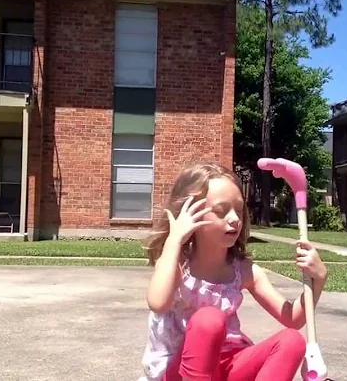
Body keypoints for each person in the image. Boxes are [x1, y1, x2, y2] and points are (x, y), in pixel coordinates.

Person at [139, 162, 328, 381]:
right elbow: (157, 302)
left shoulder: (243, 271)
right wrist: (174, 240)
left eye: (238, 210)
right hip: (181, 371)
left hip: (229, 365)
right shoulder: (177, 263)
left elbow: (292, 318)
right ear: (189, 213)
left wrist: (318, 280)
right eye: (221, 211)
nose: (235, 219)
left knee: (292, 341)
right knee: (209, 319)